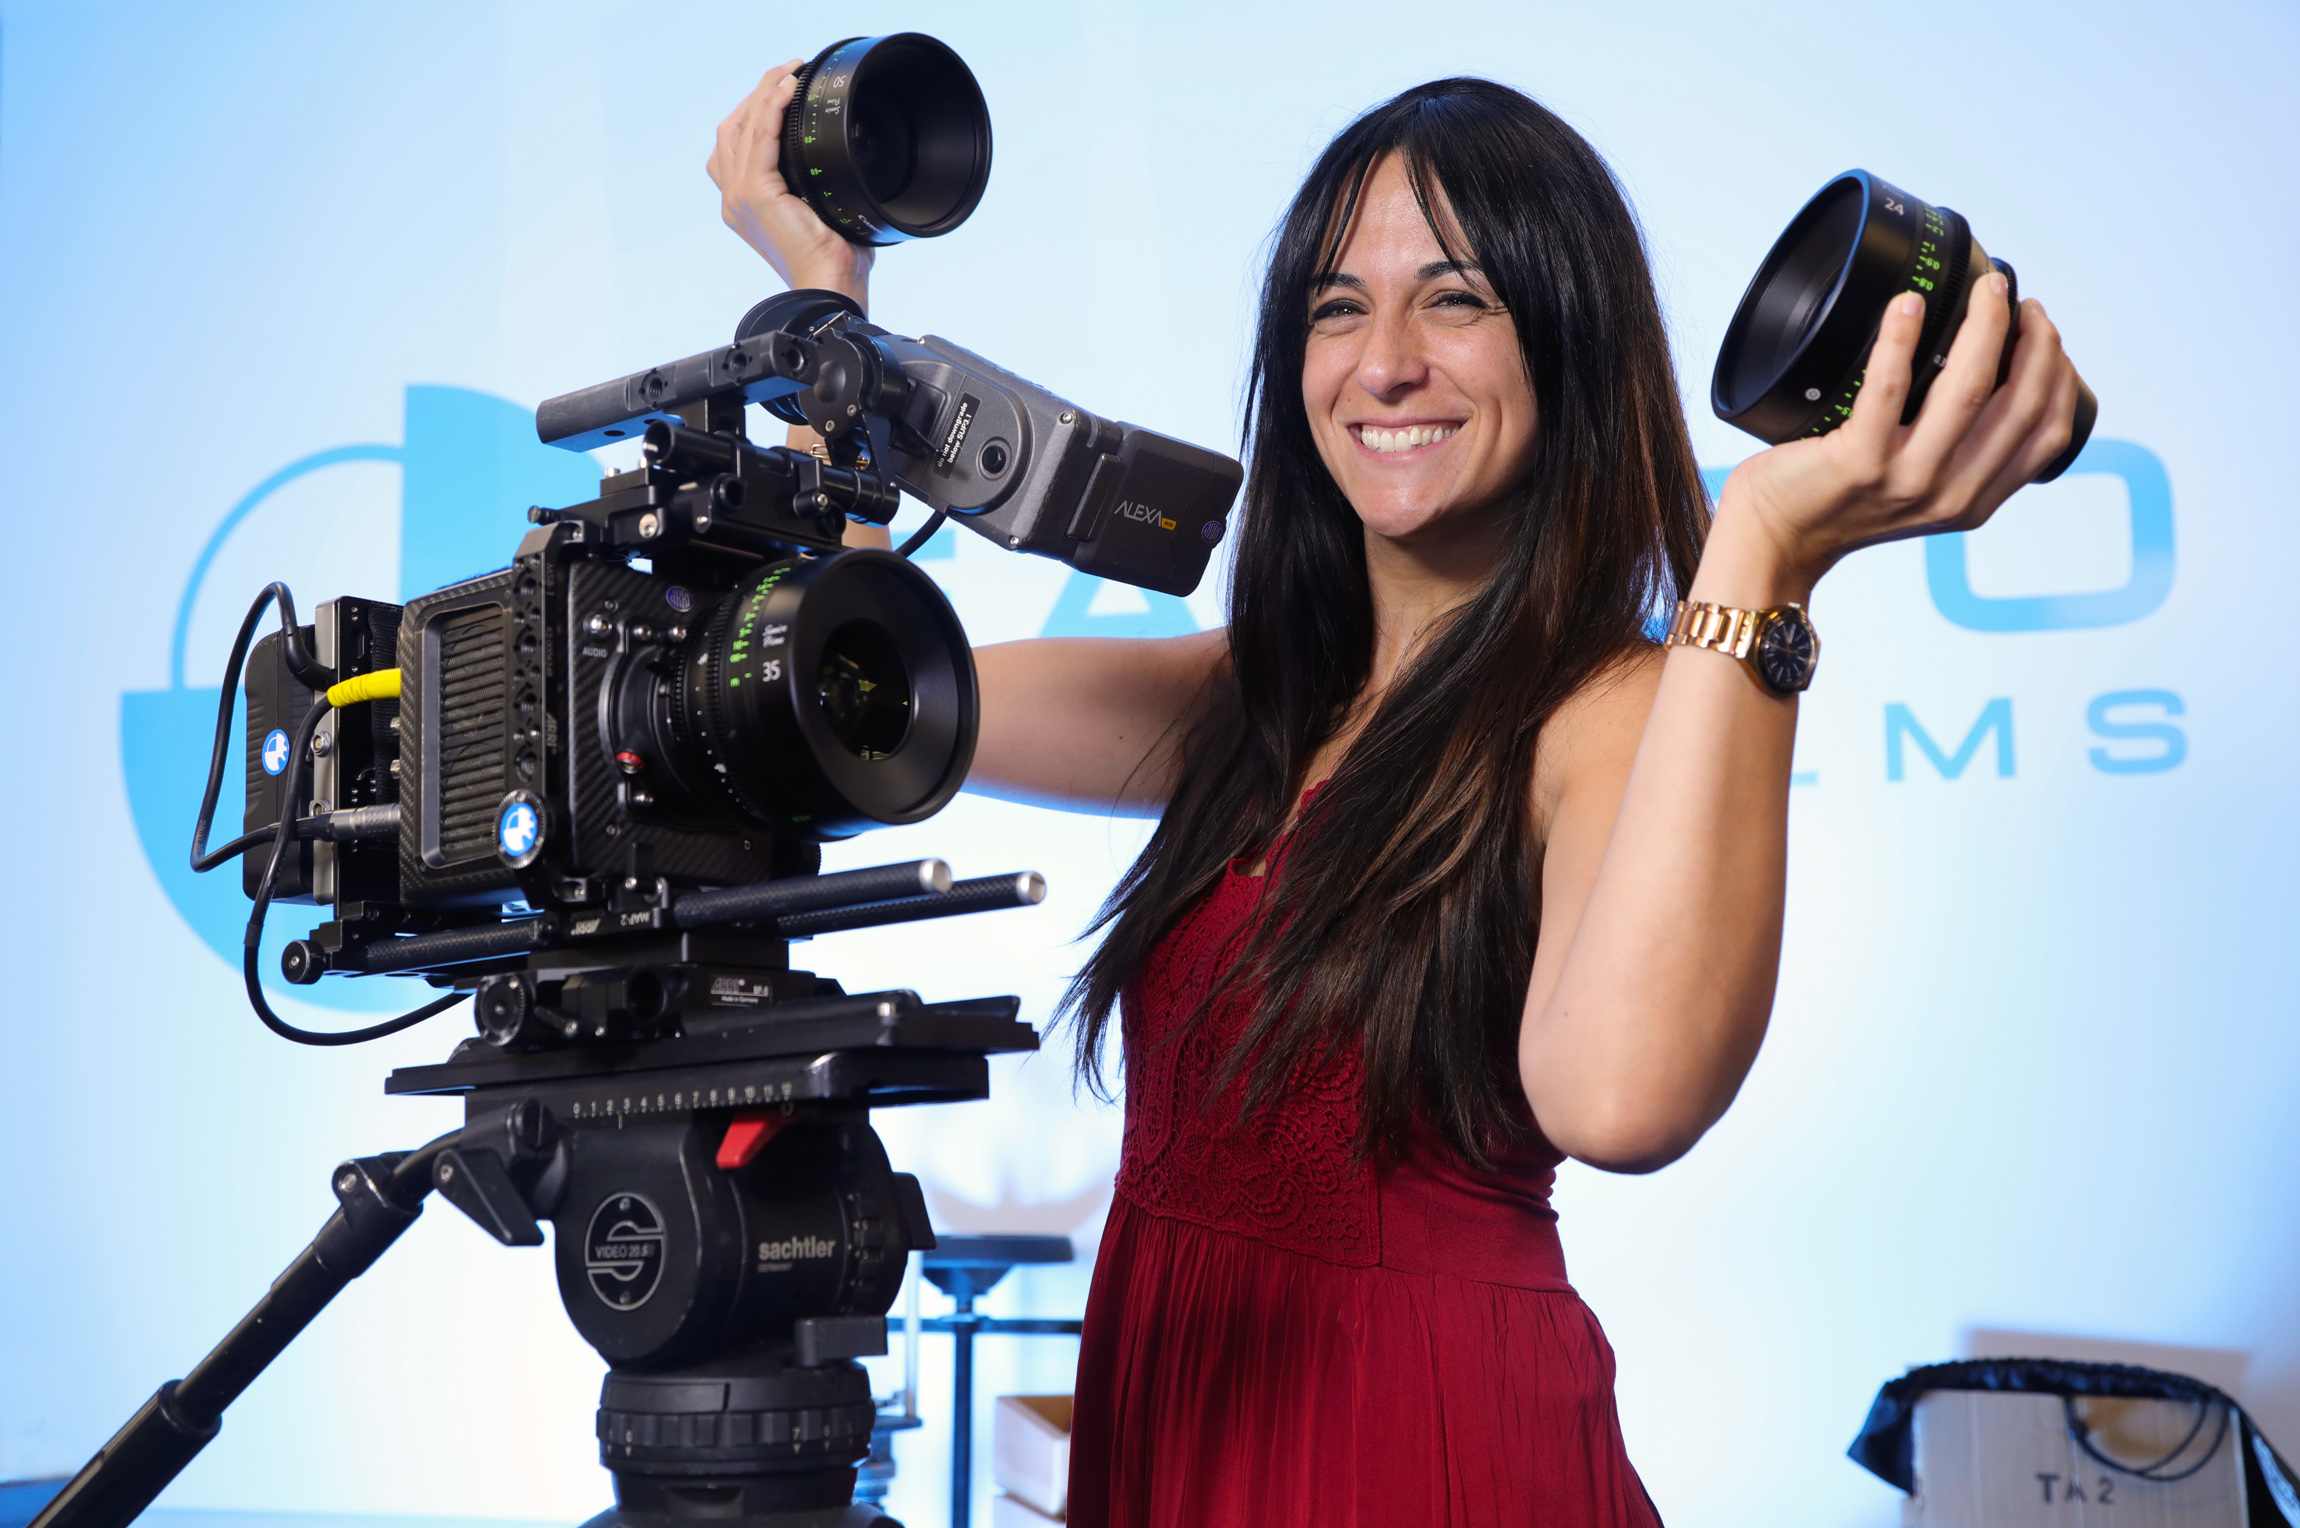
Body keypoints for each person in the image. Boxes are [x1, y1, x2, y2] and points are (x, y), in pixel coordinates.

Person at [708, 62, 2082, 1527]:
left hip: (1426, 1452)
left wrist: (1761, 552)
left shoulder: (1613, 709)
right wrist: (825, 313)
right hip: (1183, 1427)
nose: (1384, 365)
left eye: (1457, 300)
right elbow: (840, 701)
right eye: (1336, 308)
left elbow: (1619, 1101)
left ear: (1568, 340)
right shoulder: (1253, 696)